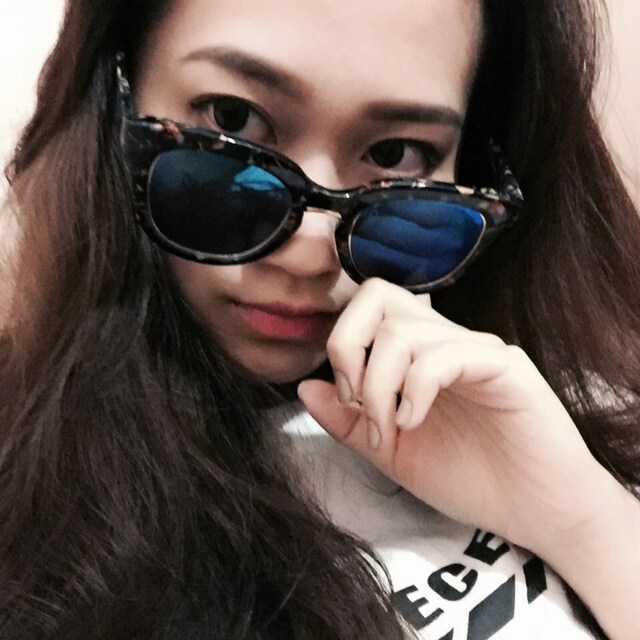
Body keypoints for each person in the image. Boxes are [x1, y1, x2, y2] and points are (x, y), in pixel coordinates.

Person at [1, 0, 640, 638]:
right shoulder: (28, 506)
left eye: (396, 152)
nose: (309, 253)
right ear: (114, 100)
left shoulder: (549, 391)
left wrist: (581, 518)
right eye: (233, 119)